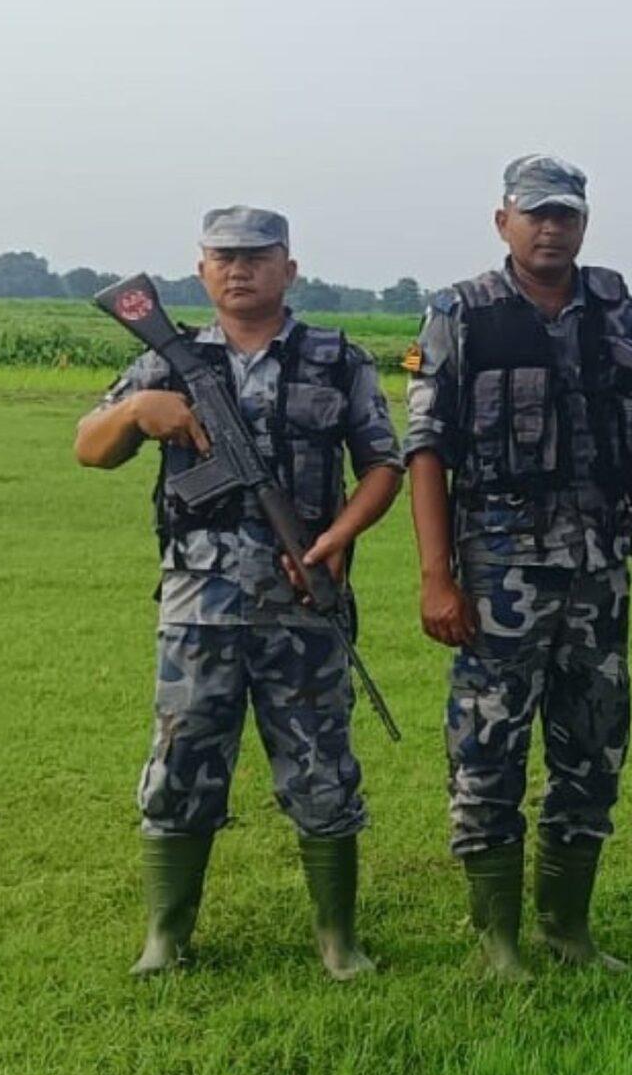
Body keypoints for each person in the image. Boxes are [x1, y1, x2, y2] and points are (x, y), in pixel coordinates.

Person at [74, 205, 401, 980]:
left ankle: (338, 941)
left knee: (322, 769)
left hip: (303, 597)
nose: (239, 269)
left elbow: (383, 466)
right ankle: (165, 938)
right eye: (223, 257)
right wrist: (137, 412)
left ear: (289, 267)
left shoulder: (336, 359)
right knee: (183, 762)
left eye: (257, 256)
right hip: (199, 606)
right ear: (200, 270)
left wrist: (338, 537)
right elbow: (89, 448)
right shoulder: (169, 360)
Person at [401, 155, 632, 980]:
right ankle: (497, 942)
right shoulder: (459, 313)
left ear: (584, 223)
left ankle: (568, 930)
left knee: (593, 745)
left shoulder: (617, 309)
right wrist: (434, 575)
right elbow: (427, 451)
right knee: (488, 745)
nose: (550, 227)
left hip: (601, 568)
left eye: (564, 214)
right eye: (535, 214)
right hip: (498, 571)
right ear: (504, 223)